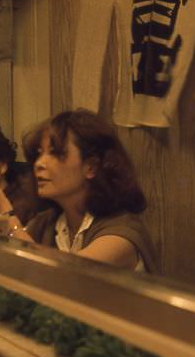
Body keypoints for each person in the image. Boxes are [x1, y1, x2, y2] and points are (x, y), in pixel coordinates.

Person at [10, 110, 156, 271]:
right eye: (39, 154)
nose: (39, 163)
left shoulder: (121, 231)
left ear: (91, 167)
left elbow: (64, 275)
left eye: (55, 153)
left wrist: (8, 219)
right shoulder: (47, 222)